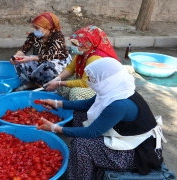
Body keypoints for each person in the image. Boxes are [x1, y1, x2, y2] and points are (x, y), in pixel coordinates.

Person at [37, 57, 167, 180]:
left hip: (137, 151)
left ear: (107, 79)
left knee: (81, 145)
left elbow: (91, 132)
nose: (90, 82)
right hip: (125, 136)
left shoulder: (120, 104)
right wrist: (56, 103)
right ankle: (85, 161)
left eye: (93, 78)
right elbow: (87, 104)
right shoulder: (114, 89)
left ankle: (81, 175)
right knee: (81, 114)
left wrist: (55, 128)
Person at [44, 25, 119, 100]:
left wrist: (58, 83)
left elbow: (85, 83)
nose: (73, 46)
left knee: (75, 93)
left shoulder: (94, 58)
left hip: (101, 86)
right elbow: (71, 68)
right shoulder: (83, 53)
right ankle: (68, 102)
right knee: (62, 84)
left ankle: (80, 108)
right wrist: (57, 79)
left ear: (87, 45)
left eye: (76, 44)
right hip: (89, 81)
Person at [10, 12, 71, 91]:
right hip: (41, 60)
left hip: (59, 62)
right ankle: (34, 84)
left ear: (47, 28)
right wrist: (16, 57)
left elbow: (51, 56)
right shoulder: (33, 36)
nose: (34, 30)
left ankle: (49, 86)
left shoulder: (57, 36)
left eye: (37, 28)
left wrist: (30, 58)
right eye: (33, 27)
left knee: (47, 67)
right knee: (20, 63)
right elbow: (23, 49)